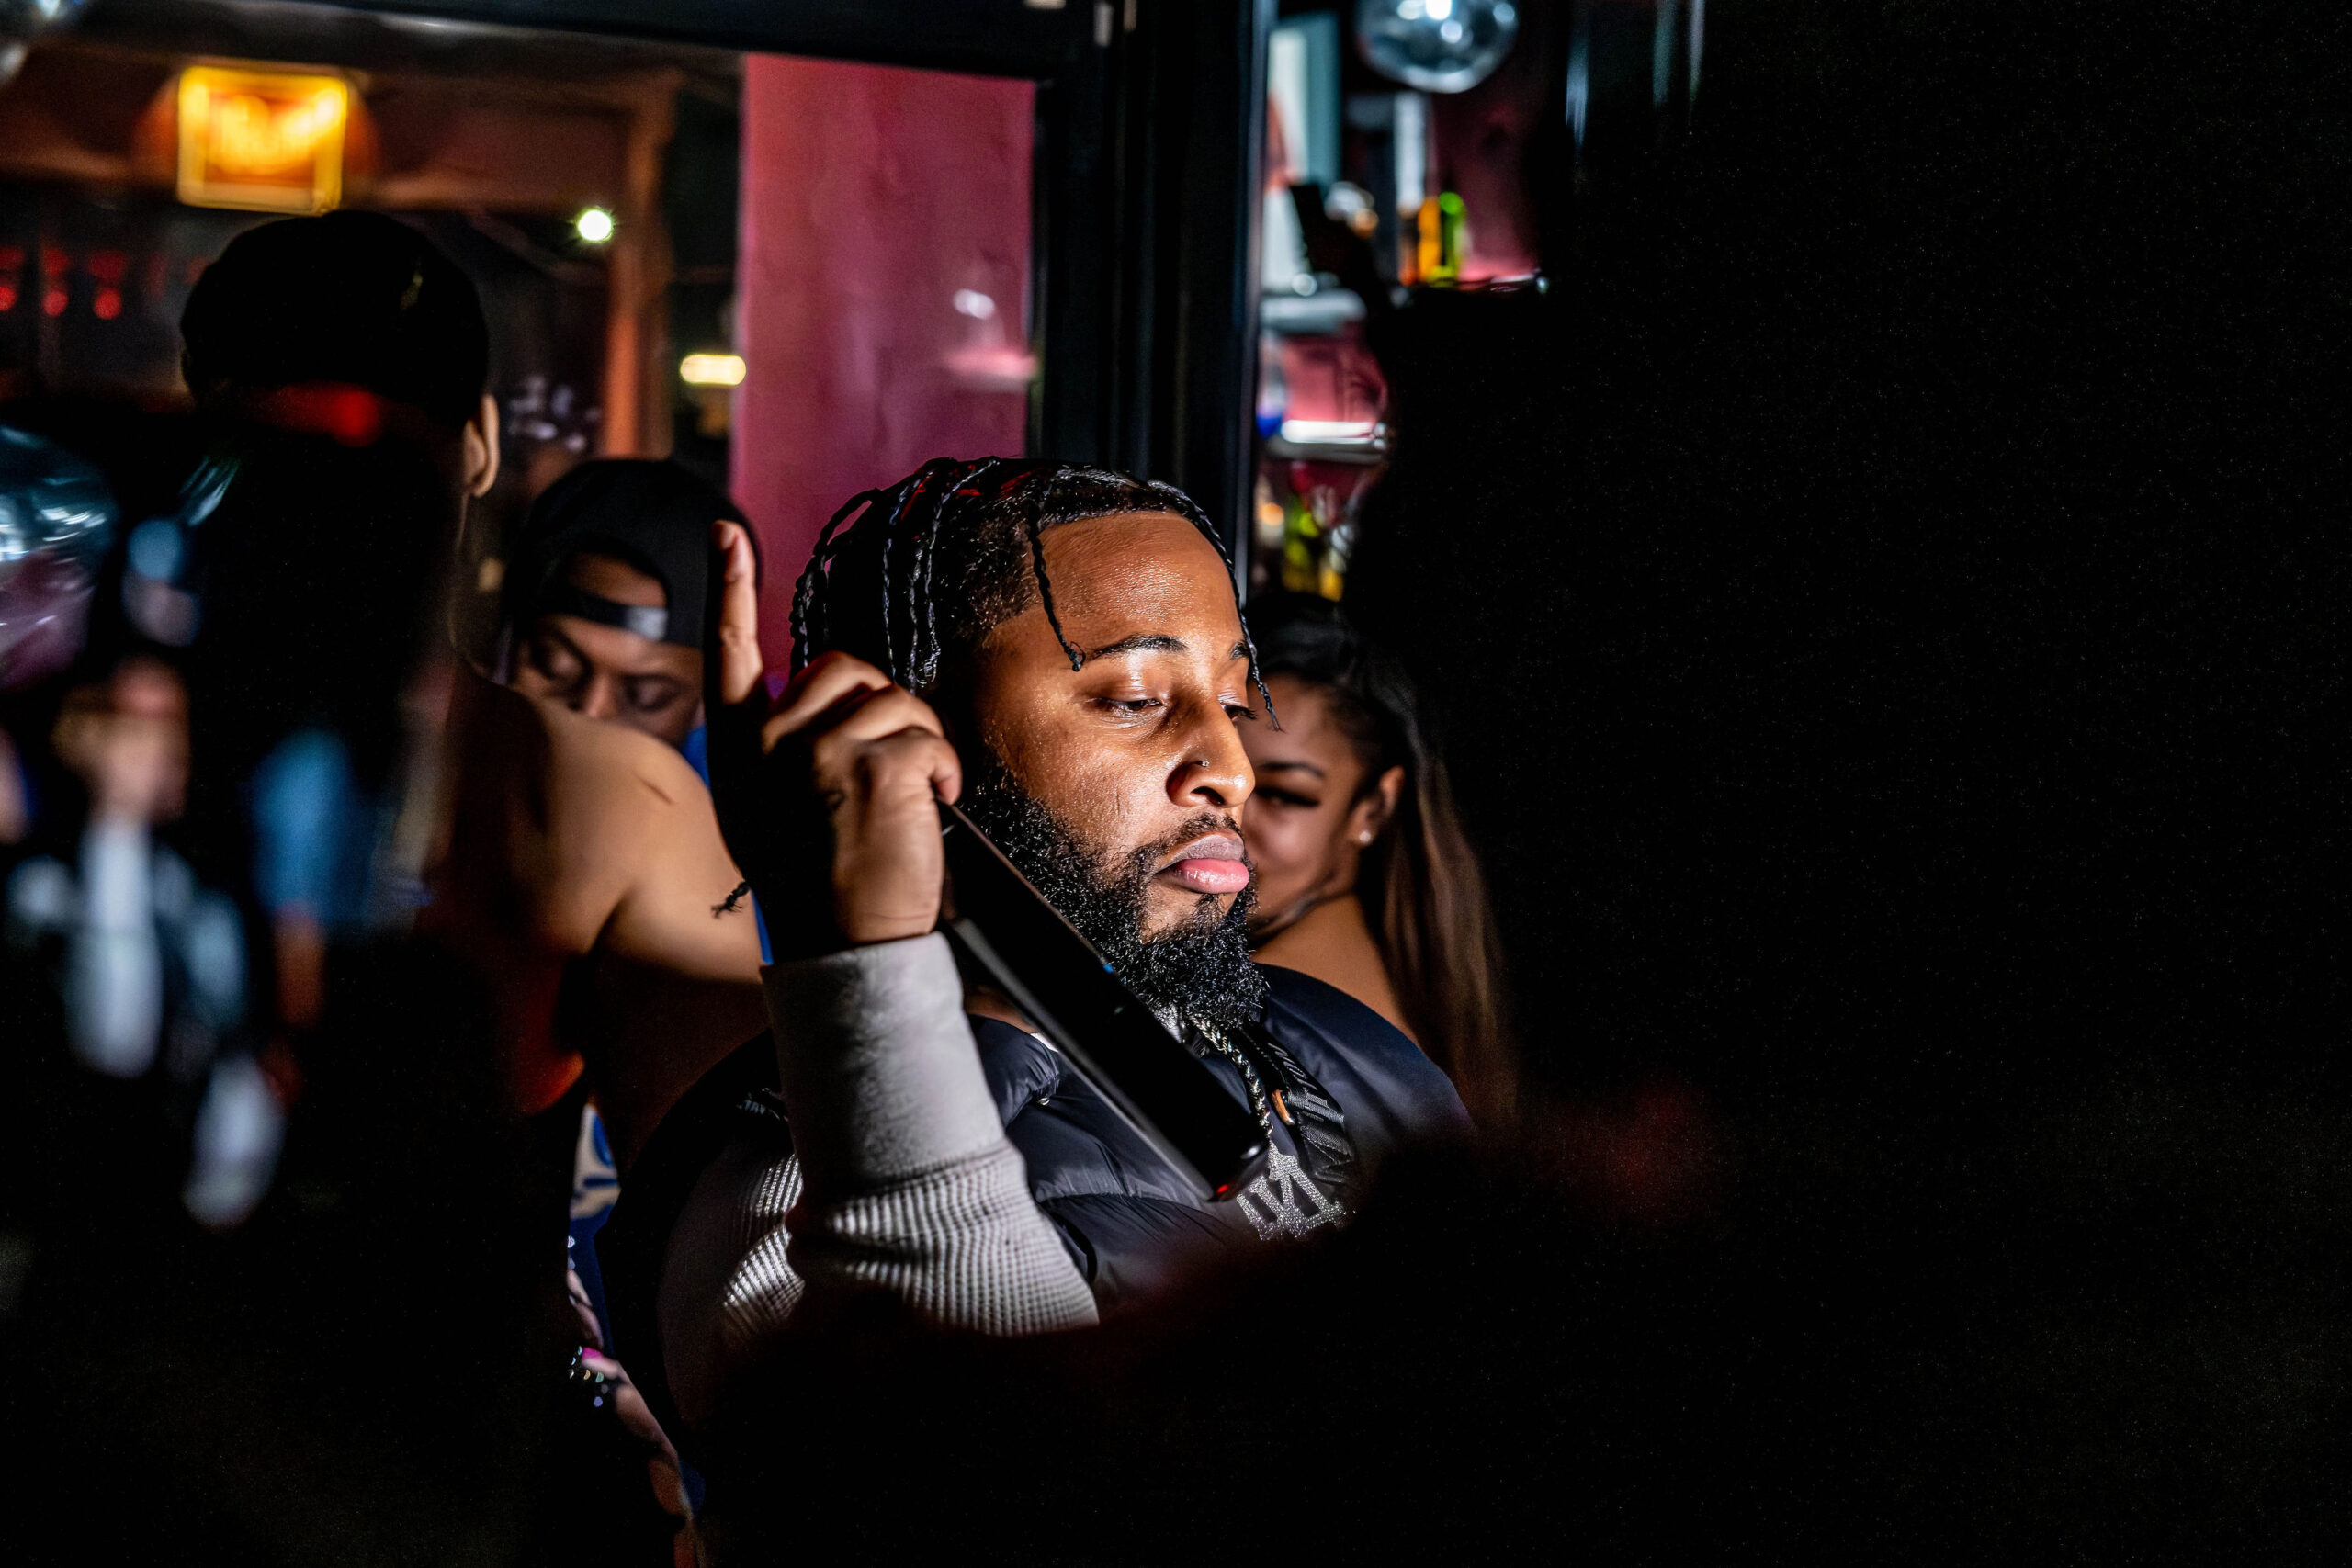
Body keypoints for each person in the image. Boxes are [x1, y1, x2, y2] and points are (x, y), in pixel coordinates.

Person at [600, 459, 1472, 1463]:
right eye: (1136, 698)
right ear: (917, 742)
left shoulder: (1335, 1044)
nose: (1231, 768)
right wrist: (865, 965)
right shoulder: (797, 1193)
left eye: (1232, 698)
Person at [1238, 592, 1518, 1124]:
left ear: (1374, 807)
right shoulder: (1416, 968)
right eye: (1213, 773)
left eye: (1282, 794)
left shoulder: (1266, 1007)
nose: (1228, 820)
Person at [499, 458, 759, 751]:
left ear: (704, 707)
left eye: (647, 697)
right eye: (553, 666)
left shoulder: (733, 792)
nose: (591, 712)